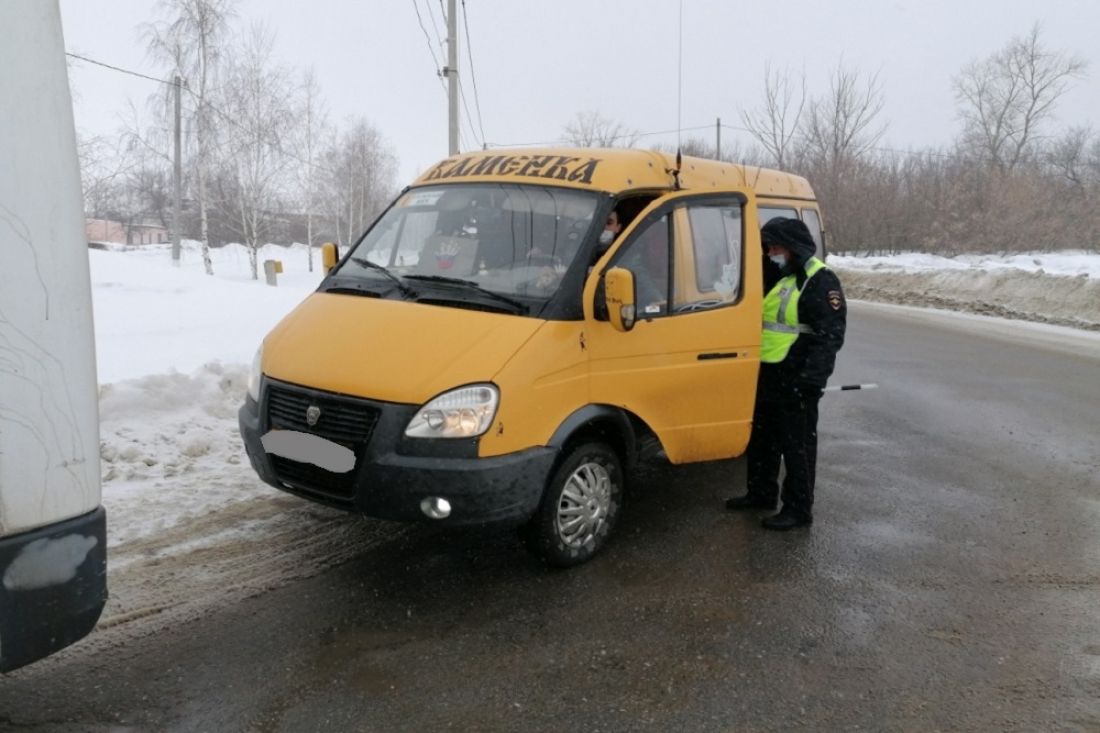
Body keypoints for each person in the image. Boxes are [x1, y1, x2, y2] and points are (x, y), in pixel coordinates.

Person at [726, 217, 846, 530]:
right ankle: (761, 493)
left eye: (777, 246)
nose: (772, 252)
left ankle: (798, 508)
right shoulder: (782, 277)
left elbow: (830, 335)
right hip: (768, 373)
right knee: (763, 439)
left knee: (798, 446)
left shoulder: (820, 280)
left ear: (793, 246)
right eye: (769, 247)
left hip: (798, 378)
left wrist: (812, 381)